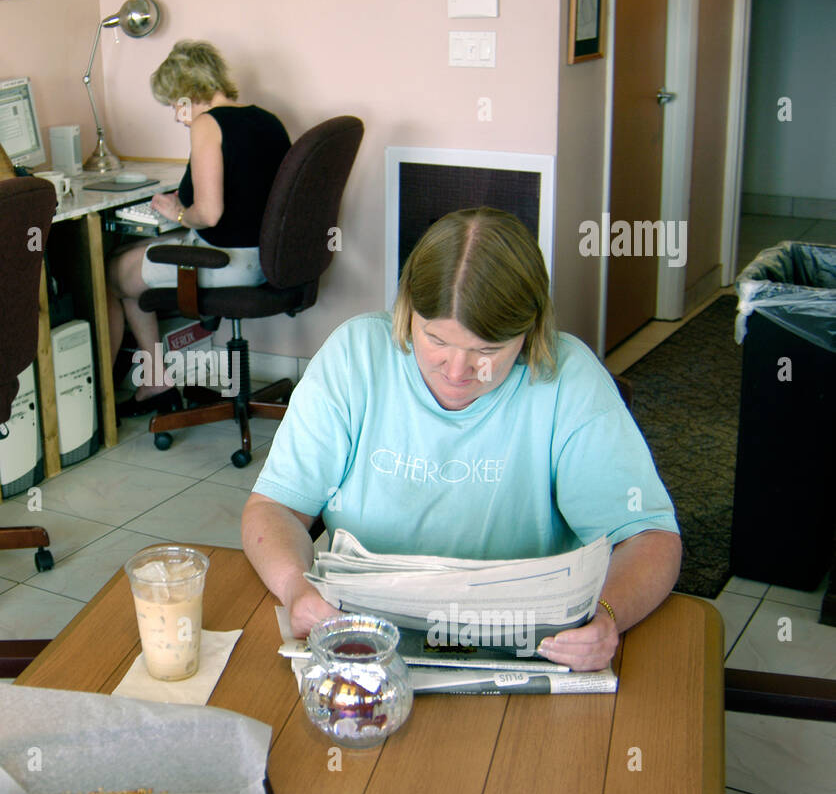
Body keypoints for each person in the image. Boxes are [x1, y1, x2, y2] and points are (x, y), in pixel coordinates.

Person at [241, 207, 682, 671]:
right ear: (407, 310)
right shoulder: (354, 358)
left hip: (524, 648)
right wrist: (296, 587)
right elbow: (275, 508)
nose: (457, 372)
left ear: (530, 331)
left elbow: (649, 537)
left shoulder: (569, 381)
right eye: (435, 340)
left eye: (487, 351)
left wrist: (607, 615)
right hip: (372, 647)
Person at [107, 40, 291, 417]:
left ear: (189, 94)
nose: (177, 115)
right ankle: (155, 377)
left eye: (175, 104)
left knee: (113, 272)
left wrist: (177, 212)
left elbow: (208, 215)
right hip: (271, 259)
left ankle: (147, 383)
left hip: (226, 262)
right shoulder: (267, 120)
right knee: (135, 256)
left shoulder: (209, 124)